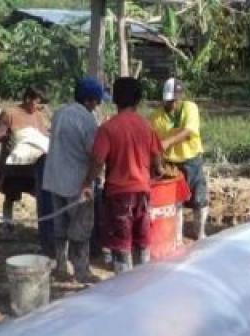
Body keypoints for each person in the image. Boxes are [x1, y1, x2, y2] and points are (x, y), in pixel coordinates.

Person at [84, 77, 163, 274]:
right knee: (141, 241)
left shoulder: (108, 129)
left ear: (115, 99)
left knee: (121, 244)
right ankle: (144, 282)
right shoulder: (147, 127)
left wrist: (87, 183)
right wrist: (154, 174)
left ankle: (124, 289)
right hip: (143, 193)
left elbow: (98, 161)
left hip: (118, 194)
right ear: (138, 100)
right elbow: (158, 163)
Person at [43, 77, 105, 283]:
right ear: (89, 100)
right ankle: (81, 270)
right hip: (76, 182)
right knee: (81, 228)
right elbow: (94, 154)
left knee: (60, 227)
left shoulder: (60, 112)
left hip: (54, 178)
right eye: (97, 101)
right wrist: (93, 179)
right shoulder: (87, 120)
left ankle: (61, 265)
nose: (97, 105)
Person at [150, 78, 208, 240]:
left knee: (199, 198)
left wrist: (167, 141)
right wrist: (158, 163)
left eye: (175, 100)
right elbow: (152, 142)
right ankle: (177, 238)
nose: (172, 104)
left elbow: (188, 131)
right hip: (171, 164)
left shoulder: (190, 108)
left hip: (192, 160)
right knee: (175, 201)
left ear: (181, 97)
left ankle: (201, 233)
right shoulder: (156, 117)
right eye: (169, 101)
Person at [0, 87, 50, 242]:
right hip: (15, 164)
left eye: (41, 104)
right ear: (27, 99)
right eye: (37, 102)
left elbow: (44, 135)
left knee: (39, 195)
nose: (39, 106)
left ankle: (42, 227)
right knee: (10, 195)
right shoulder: (10, 114)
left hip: (33, 164)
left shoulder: (39, 116)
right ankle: (7, 225)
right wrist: (12, 137)